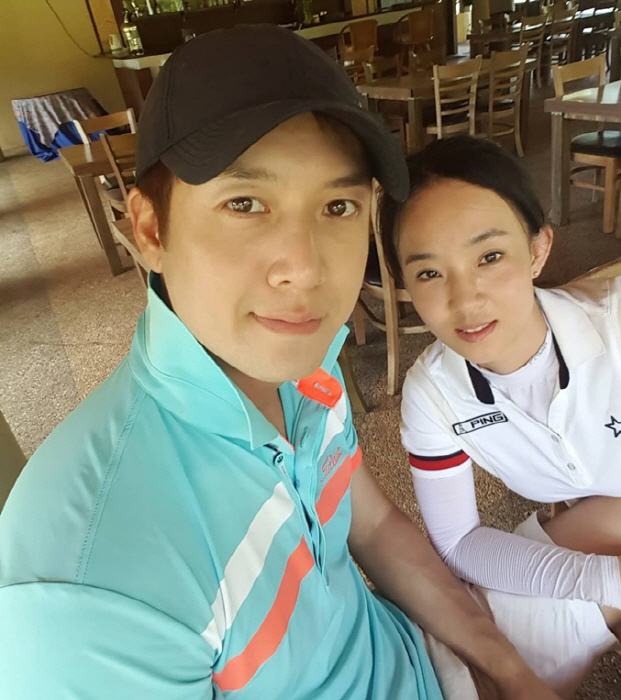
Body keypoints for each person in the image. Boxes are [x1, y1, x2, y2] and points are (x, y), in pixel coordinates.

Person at [0, 27, 561, 700]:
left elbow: (373, 525)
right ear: (149, 229)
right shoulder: (87, 593)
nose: (306, 268)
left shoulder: (305, 368)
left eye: (338, 206)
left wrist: (508, 670)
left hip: (413, 654)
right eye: (244, 204)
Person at [378, 133, 621, 699]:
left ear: (537, 250)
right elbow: (459, 543)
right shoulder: (434, 396)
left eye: (489, 257)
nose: (465, 300)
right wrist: (614, 581)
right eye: (429, 273)